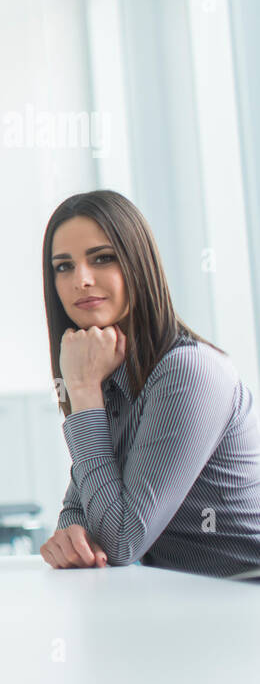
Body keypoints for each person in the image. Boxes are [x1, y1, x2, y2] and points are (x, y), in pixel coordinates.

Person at [39, 190, 260, 577]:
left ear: (138, 264)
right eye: (64, 267)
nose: (81, 280)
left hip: (242, 599)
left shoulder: (188, 372)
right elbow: (84, 515)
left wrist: (83, 389)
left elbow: (121, 539)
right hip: (181, 601)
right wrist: (71, 537)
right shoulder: (107, 373)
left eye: (102, 258)